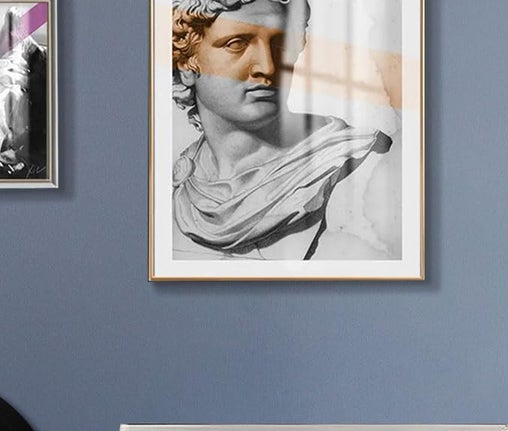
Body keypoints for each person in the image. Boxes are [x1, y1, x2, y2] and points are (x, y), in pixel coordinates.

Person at [170, 0, 396, 261]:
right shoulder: (175, 184)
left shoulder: (359, 165)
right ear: (186, 64)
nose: (267, 67)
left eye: (279, 44)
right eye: (237, 44)